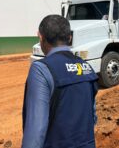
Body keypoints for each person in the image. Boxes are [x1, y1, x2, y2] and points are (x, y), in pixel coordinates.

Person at [22, 15, 98, 148]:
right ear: (69, 38)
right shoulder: (86, 68)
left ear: (41, 37)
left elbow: (35, 133)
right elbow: (92, 118)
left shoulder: (41, 70)